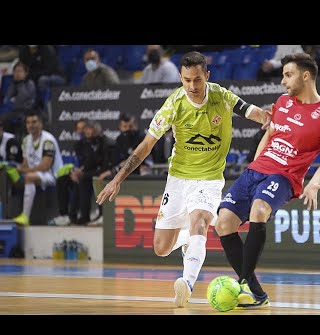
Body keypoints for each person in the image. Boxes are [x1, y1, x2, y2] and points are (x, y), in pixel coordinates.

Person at [96, 51, 270, 307]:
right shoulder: (174, 104)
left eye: (197, 80)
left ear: (206, 76)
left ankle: (186, 284)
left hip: (209, 178)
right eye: (187, 80)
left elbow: (253, 112)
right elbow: (146, 145)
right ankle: (188, 238)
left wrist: (270, 116)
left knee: (200, 221)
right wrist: (118, 178)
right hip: (178, 179)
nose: (192, 86)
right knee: (161, 248)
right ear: (180, 77)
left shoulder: (221, 96)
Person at [215, 53, 320, 308]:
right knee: (223, 223)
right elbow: (270, 135)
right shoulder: (282, 102)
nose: (283, 81)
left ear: (305, 76)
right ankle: (258, 293)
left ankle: (241, 283)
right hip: (258, 169)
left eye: (288, 75)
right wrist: (255, 165)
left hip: (286, 176)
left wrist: (314, 184)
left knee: (259, 211)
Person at [12, 110, 63, 226]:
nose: (31, 125)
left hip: (52, 175)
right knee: (11, 175)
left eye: (34, 122)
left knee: (29, 177)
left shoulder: (48, 140)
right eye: (28, 122)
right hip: (36, 173)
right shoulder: (26, 140)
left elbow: (45, 166)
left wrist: (24, 170)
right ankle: (10, 214)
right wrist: (18, 167)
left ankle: (25, 216)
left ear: (41, 124)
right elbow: (25, 163)